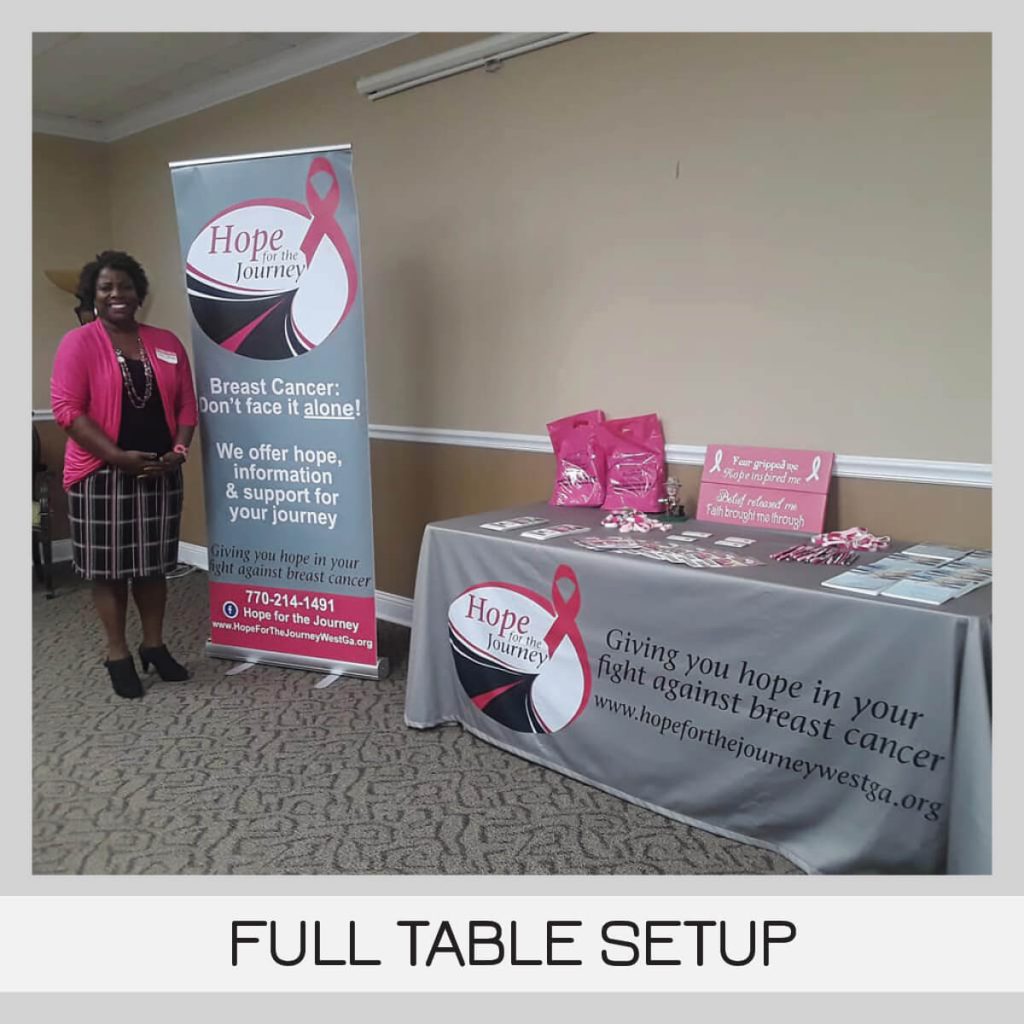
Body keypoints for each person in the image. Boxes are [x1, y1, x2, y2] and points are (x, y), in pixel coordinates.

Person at [50, 251, 198, 699]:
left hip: (159, 471)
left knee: (153, 568)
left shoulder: (166, 341)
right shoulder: (78, 342)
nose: (117, 294)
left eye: (125, 286)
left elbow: (187, 406)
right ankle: (117, 653)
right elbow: (67, 411)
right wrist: (118, 457)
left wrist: (178, 450)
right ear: (92, 295)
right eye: (106, 287)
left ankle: (154, 646)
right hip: (101, 475)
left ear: (140, 293)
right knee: (110, 572)